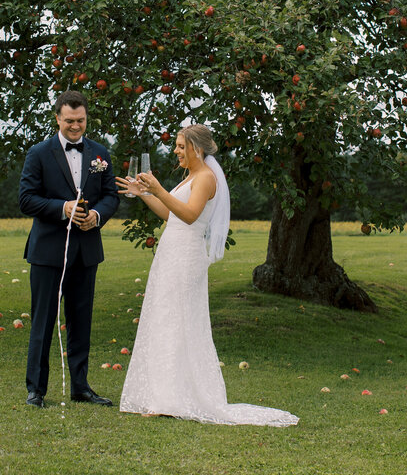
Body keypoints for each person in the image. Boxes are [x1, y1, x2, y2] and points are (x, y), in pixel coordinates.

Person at [117, 124, 299, 426]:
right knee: (165, 318)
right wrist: (144, 194)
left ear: (196, 149)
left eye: (179, 146)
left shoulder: (206, 178)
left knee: (179, 320)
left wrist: (158, 188)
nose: (175, 151)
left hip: (186, 256)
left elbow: (189, 216)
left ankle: (173, 399)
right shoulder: (190, 177)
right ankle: (164, 395)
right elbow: (170, 214)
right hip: (170, 252)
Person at [18, 90, 119, 408]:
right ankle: (36, 389)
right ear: (58, 118)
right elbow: (26, 199)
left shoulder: (100, 153)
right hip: (48, 251)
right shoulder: (38, 153)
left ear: (87, 118)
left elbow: (111, 195)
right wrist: (63, 207)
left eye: (81, 121)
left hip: (86, 251)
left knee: (81, 320)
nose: (76, 126)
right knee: (42, 321)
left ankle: (80, 386)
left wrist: (97, 216)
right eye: (70, 121)